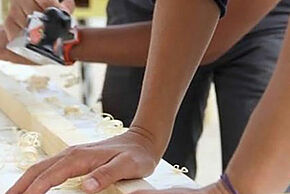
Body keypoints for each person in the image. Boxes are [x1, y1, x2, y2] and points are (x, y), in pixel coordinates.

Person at [1, 0, 290, 193]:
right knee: (123, 168)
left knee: (266, 159)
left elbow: (214, 38)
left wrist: (60, 44)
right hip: (141, 6)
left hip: (266, 18)